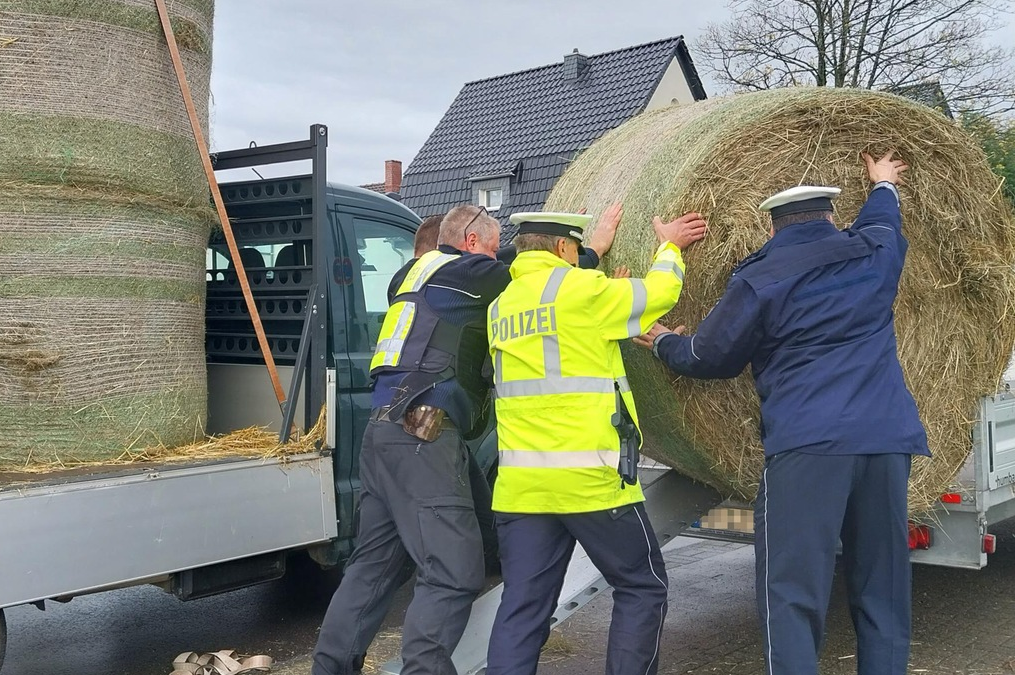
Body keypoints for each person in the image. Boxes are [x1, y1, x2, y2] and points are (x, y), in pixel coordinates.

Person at [633, 151, 927, 675]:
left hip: (808, 448)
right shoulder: (873, 252)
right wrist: (882, 183)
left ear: (772, 224)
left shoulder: (760, 277)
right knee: (882, 589)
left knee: (791, 592)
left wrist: (662, 343)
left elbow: (710, 357)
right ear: (832, 217)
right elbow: (885, 218)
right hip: (886, 442)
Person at [312, 203, 625, 675]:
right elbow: (537, 282)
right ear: (474, 244)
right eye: (496, 246)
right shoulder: (468, 274)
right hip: (422, 434)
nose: (500, 256)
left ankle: (329, 668)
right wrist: (590, 252)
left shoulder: (410, 276)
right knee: (453, 572)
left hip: (384, 434)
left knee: (373, 568)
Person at [485, 208, 707, 675]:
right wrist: (669, 246)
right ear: (565, 247)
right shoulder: (582, 290)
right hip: (590, 480)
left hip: (522, 488)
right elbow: (662, 292)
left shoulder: (501, 307)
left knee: (523, 607)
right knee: (641, 586)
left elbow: (568, 349)